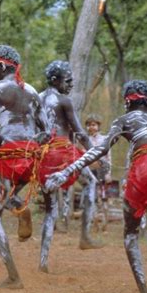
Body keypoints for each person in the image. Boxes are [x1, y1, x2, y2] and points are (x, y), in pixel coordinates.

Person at [46, 80, 147, 293]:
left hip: (142, 171)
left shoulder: (125, 119)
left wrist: (67, 170)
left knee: (130, 233)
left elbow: (101, 149)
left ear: (128, 101)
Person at [0, 45, 50, 289]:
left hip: (8, 158)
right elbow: (47, 132)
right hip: (31, 160)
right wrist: (34, 149)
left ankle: (13, 277)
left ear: (0, 66)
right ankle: (19, 207)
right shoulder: (32, 92)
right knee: (5, 198)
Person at [37, 61, 103, 274]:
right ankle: (84, 236)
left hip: (43, 157)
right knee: (91, 181)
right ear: (55, 80)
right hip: (63, 153)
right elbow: (80, 132)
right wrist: (94, 153)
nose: (71, 84)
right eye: (68, 80)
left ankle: (43, 261)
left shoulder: (37, 99)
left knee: (50, 210)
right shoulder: (63, 101)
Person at [85, 114, 112, 230]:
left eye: (93, 125)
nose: (91, 127)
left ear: (98, 126)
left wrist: (108, 173)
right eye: (89, 125)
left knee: (104, 198)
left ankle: (105, 224)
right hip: (90, 171)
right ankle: (94, 223)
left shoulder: (104, 139)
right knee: (93, 198)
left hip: (103, 170)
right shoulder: (86, 141)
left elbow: (109, 157)